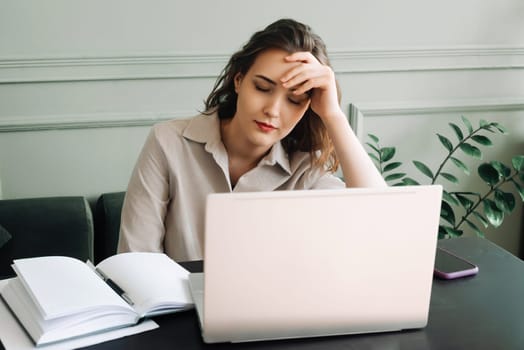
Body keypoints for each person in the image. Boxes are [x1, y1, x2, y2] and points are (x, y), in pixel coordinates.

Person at [117, 18, 386, 261]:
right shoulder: (168, 142)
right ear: (238, 81)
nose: (273, 110)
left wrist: (333, 114)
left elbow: (380, 220)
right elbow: (136, 259)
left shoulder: (307, 170)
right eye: (262, 88)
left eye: (294, 100)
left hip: (273, 314)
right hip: (176, 313)